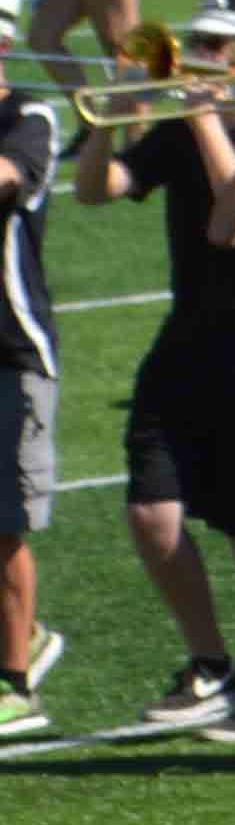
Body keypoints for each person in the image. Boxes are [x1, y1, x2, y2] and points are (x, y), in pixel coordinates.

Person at [76, 0, 235, 732]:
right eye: (195, 43)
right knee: (149, 508)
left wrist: (201, 113)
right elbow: (95, 190)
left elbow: (228, 219)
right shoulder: (180, 125)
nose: (196, 57)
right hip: (188, 338)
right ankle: (210, 665)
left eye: (214, 47)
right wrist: (108, 116)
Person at [0, 54, 52, 737]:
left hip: (11, 349)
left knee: (3, 524)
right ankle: (27, 631)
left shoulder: (28, 117)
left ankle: (15, 684)